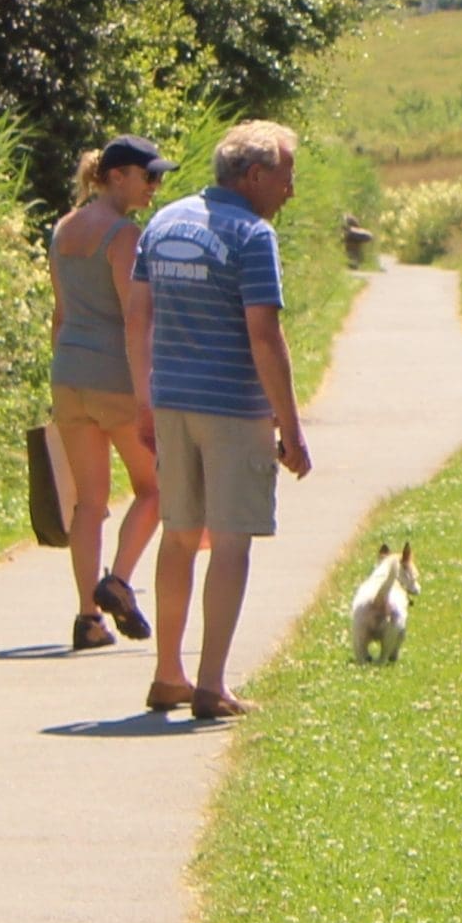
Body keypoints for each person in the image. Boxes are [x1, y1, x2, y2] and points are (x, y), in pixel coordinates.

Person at [128, 120, 312, 720]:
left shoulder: (165, 221)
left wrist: (144, 398)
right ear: (255, 175)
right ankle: (211, 684)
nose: (290, 190)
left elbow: (138, 317)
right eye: (286, 176)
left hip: (173, 402)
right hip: (233, 407)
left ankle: (167, 674)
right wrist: (291, 426)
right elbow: (265, 335)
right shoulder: (252, 235)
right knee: (230, 543)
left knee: (179, 537)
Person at [48, 135, 174, 651]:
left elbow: (60, 313)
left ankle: (87, 618)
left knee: (89, 503)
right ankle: (118, 580)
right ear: (116, 176)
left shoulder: (63, 229)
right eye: (149, 177)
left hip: (69, 374)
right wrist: (150, 388)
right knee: (158, 486)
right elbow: (134, 316)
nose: (155, 187)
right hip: (116, 378)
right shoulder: (124, 234)